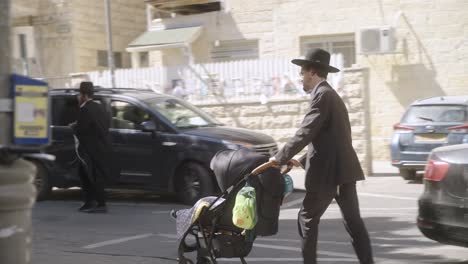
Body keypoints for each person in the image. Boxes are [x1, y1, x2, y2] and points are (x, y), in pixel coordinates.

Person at [268, 48, 374, 264]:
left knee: (306, 218)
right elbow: (330, 137)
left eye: (301, 73)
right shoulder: (330, 95)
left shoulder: (322, 96)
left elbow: (306, 131)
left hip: (327, 173)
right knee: (353, 223)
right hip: (343, 171)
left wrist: (279, 158)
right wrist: (302, 159)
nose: (300, 78)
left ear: (312, 72)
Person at [70, 82, 112, 213]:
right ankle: (90, 201)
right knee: (86, 174)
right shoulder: (99, 107)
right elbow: (101, 124)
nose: (78, 96)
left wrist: (73, 127)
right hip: (101, 146)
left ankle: (100, 204)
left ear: (84, 95)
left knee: (92, 176)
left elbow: (82, 129)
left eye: (79, 94)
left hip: (90, 149)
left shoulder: (85, 109)